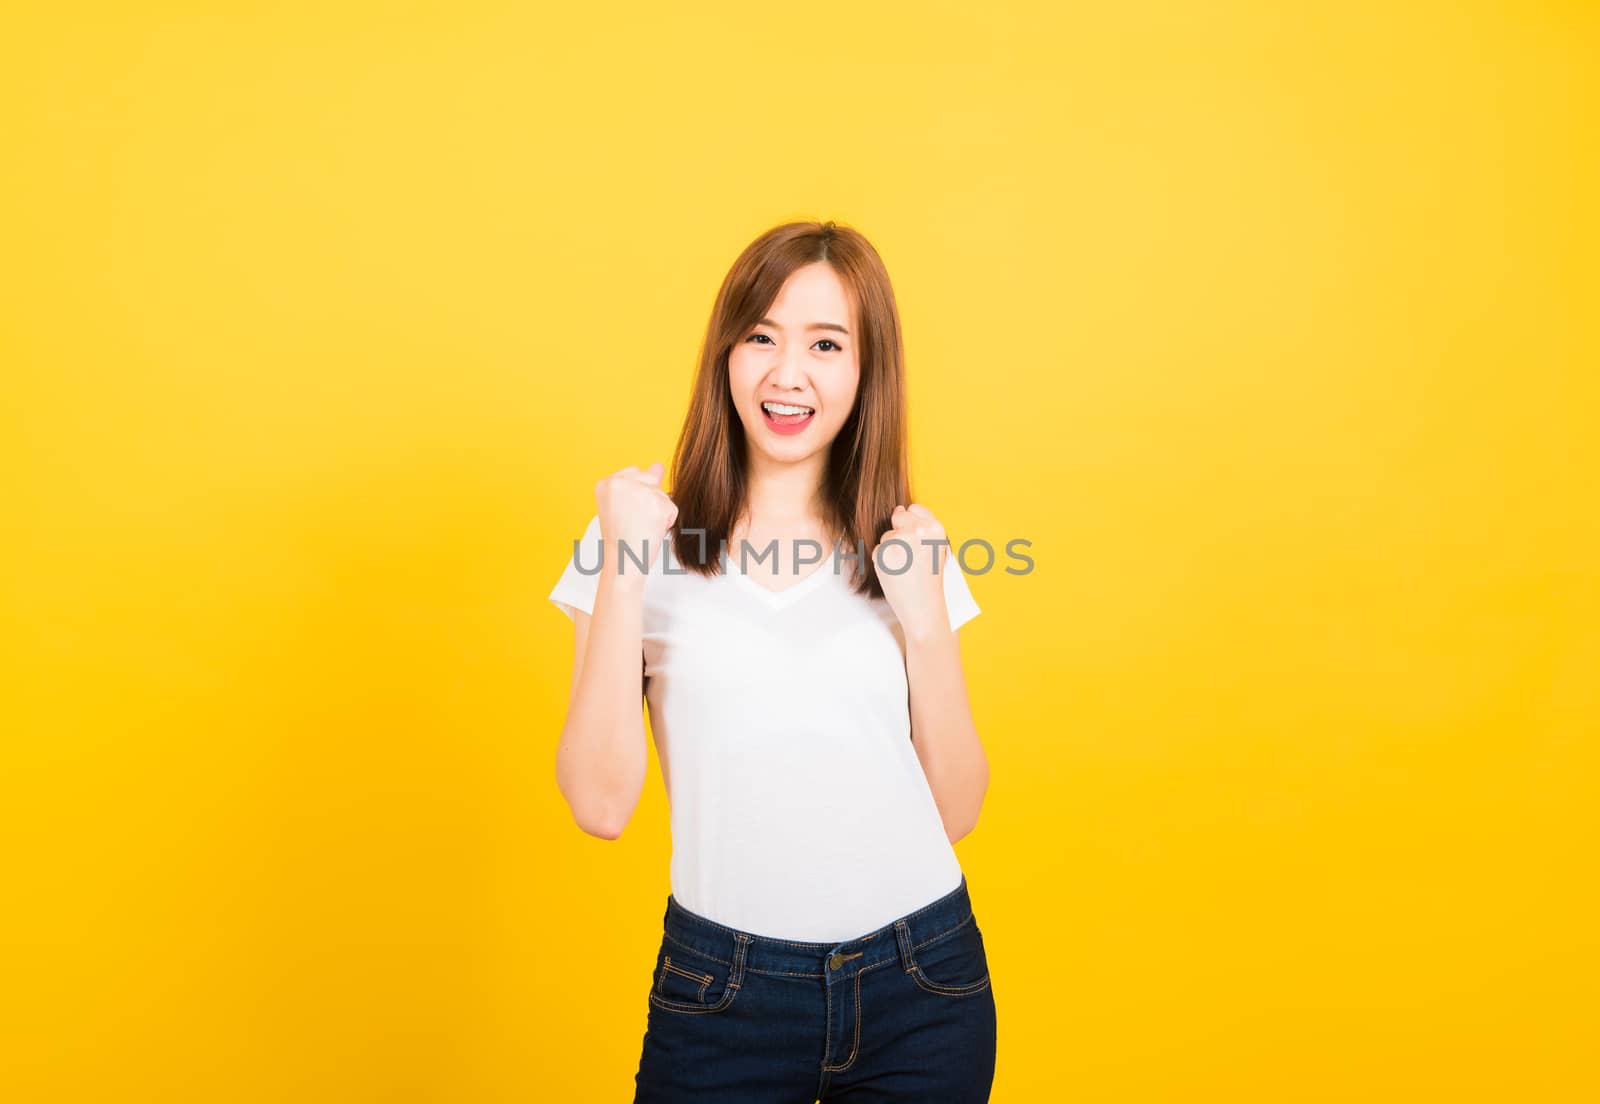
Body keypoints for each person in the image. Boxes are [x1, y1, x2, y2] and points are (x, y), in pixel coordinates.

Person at [548, 219, 997, 1102]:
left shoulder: (906, 550)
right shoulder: (636, 542)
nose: (787, 373)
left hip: (926, 983)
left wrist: (926, 617)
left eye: (825, 344)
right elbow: (600, 805)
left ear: (866, 374)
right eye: (760, 337)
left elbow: (958, 807)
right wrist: (625, 569)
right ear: (725, 354)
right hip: (723, 995)